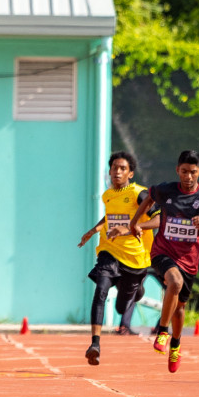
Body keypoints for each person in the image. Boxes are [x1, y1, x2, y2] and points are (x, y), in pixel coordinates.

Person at [131, 150, 199, 373]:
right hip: (162, 251)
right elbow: (148, 196)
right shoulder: (167, 189)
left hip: (188, 259)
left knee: (180, 308)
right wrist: (135, 222)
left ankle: (176, 343)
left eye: (193, 172)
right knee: (175, 282)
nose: (188, 177)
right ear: (177, 170)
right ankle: (162, 331)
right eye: (184, 172)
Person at [76, 151, 155, 365]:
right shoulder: (108, 195)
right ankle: (95, 344)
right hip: (109, 251)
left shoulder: (140, 194)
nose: (117, 172)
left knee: (122, 306)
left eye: (122, 169)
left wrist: (130, 228)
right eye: (114, 168)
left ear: (130, 173)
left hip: (134, 258)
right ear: (109, 172)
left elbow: (159, 219)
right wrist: (93, 230)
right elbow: (110, 215)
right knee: (101, 289)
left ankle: (136, 289)